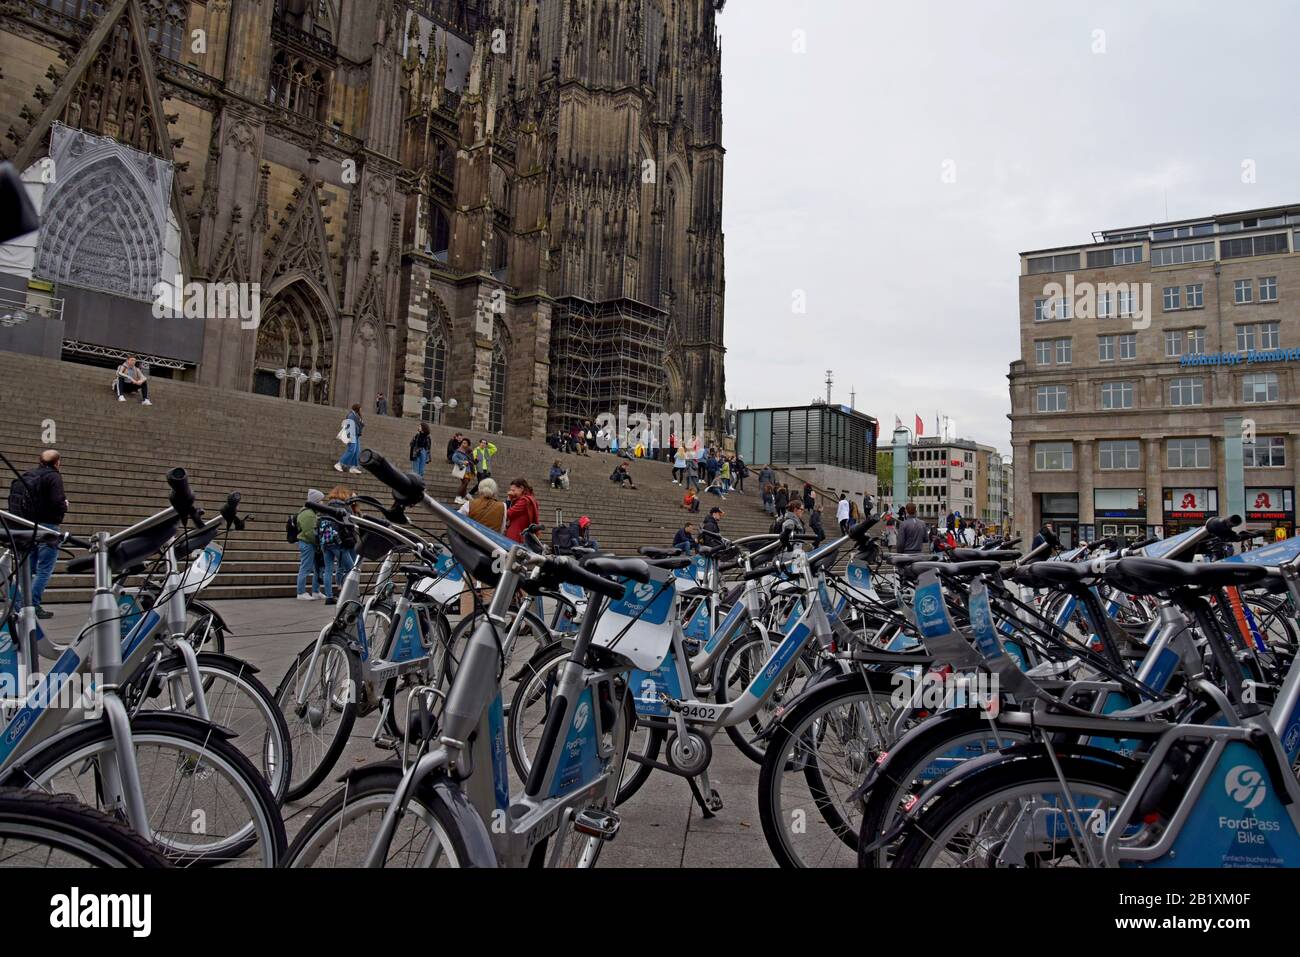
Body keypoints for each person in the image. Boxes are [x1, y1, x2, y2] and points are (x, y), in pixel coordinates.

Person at [8, 449, 67, 618]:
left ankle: (18, 604)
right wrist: (65, 505)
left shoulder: (29, 474)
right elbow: (57, 501)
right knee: (44, 569)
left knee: (28, 568)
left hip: (27, 527)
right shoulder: (53, 476)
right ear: (57, 463)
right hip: (48, 528)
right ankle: (32, 605)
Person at [319, 486, 358, 604]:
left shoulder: (325, 507)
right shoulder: (345, 507)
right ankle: (347, 594)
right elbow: (350, 525)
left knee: (328, 570)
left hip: (325, 541)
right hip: (339, 542)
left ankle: (329, 597)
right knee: (351, 569)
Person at [295, 489, 326, 599]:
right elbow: (309, 533)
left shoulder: (311, 513)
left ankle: (316, 591)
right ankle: (301, 592)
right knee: (306, 567)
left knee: (318, 568)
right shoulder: (308, 514)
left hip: (311, 543)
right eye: (321, 500)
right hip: (308, 543)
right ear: (316, 501)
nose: (322, 503)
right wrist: (318, 542)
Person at [504, 478, 540, 543]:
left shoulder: (524, 501)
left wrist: (509, 499)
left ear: (521, 488)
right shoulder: (527, 498)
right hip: (519, 534)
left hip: (516, 536)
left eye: (513, 490)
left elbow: (508, 513)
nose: (511, 492)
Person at [335, 404, 363, 473]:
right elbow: (348, 425)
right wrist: (349, 436)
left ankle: (353, 467)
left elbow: (359, 427)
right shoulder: (351, 415)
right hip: (352, 435)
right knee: (351, 450)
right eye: (360, 408)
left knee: (357, 451)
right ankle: (339, 464)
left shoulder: (356, 416)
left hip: (356, 435)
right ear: (357, 408)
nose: (361, 410)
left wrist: (361, 423)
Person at [452, 439, 473, 504]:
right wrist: (462, 462)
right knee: (465, 482)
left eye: (465, 443)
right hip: (462, 469)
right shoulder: (458, 451)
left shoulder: (469, 452)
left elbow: (472, 461)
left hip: (468, 469)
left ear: (468, 445)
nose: (463, 444)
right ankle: (458, 497)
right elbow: (454, 458)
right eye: (463, 443)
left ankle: (462, 497)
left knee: (465, 484)